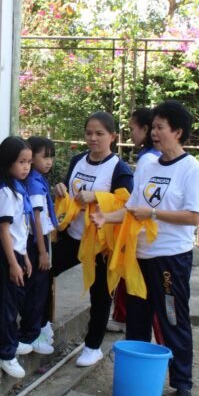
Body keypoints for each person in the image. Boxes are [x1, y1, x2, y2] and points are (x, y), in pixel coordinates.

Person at [92, 101, 199, 396]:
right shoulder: (147, 165)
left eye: (160, 127)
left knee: (172, 319)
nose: (154, 133)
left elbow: (193, 217)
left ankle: (182, 383)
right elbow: (133, 208)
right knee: (137, 320)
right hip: (139, 258)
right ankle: (137, 381)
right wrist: (108, 218)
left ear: (178, 132)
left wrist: (154, 214)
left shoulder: (193, 171)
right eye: (153, 127)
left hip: (170, 259)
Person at [51, 111, 133, 367]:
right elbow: (69, 192)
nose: (93, 138)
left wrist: (97, 197)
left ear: (113, 137)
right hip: (72, 236)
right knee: (43, 272)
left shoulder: (119, 169)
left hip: (101, 244)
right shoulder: (78, 160)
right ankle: (40, 327)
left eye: (100, 133)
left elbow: (128, 206)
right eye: (89, 133)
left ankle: (93, 346)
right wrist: (60, 189)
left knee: (100, 295)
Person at [0, 137, 35, 378]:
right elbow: (4, 231)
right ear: (7, 162)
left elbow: (19, 230)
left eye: (29, 162)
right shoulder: (6, 192)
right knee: (4, 304)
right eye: (21, 162)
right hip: (4, 252)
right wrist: (13, 263)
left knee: (13, 301)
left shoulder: (17, 188)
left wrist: (24, 256)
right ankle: (2, 352)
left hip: (15, 251)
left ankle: (10, 342)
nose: (26, 167)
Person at [109, 106, 163, 335]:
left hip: (145, 240)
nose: (130, 134)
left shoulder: (148, 160)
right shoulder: (155, 158)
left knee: (141, 302)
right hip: (152, 240)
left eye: (132, 129)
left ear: (146, 129)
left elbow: (135, 204)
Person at [23, 136, 57, 354]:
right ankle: (31, 335)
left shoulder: (38, 179)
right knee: (36, 288)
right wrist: (43, 252)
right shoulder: (34, 184)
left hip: (41, 239)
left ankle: (38, 327)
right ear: (31, 157)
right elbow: (36, 219)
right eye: (44, 156)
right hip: (37, 242)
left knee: (40, 287)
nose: (49, 161)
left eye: (51, 157)